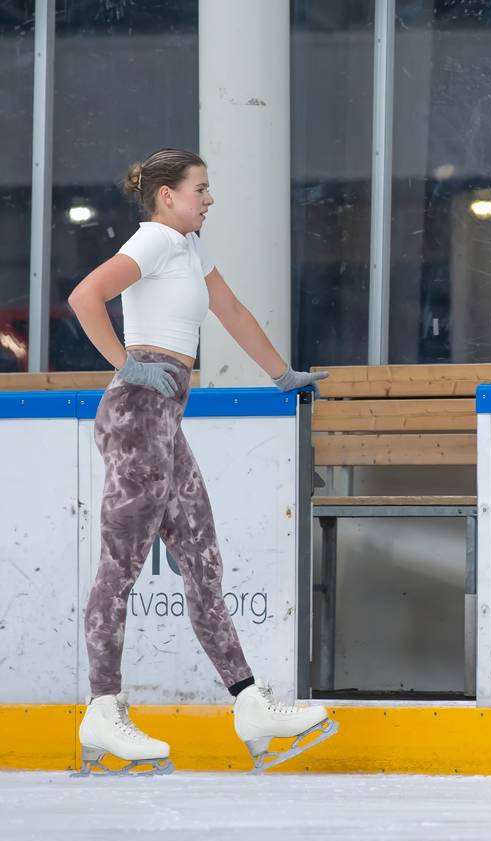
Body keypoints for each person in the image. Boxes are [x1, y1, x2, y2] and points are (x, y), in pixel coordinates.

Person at [68, 148, 337, 775]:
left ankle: (249, 705)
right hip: (138, 414)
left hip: (164, 420)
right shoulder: (157, 239)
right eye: (201, 189)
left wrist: (282, 376)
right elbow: (87, 296)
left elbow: (234, 313)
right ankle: (102, 708)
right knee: (121, 566)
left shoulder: (189, 248)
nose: (209, 199)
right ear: (168, 195)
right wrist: (124, 364)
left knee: (203, 561)